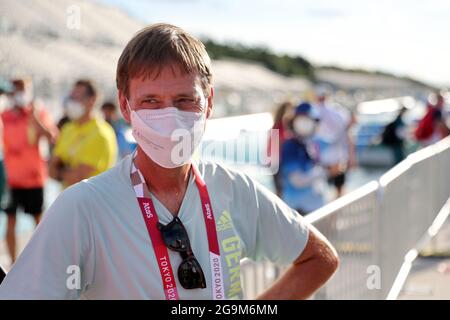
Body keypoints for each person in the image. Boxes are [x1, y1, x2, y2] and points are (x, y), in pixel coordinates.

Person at [0, 24, 338, 300]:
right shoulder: (82, 208)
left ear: (209, 103)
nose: (170, 116)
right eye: (150, 101)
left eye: (184, 100)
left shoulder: (235, 190)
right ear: (125, 104)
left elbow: (319, 258)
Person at [0, 78, 58, 264]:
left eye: (22, 90)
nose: (19, 95)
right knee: (10, 221)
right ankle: (13, 262)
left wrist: (34, 118)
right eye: (15, 91)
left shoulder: (38, 113)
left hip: (34, 178)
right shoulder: (5, 115)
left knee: (39, 222)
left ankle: (43, 261)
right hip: (11, 178)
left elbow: (51, 137)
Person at [48, 80, 118, 187]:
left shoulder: (101, 133)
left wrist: (60, 169)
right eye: (71, 98)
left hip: (92, 202)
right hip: (68, 199)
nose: (72, 102)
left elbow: (77, 178)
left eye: (77, 98)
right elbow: (50, 170)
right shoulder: (68, 128)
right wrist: (64, 171)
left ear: (92, 100)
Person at [280, 102, 325, 215]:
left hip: (314, 208)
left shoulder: (312, 144)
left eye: (308, 119)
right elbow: (297, 181)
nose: (305, 123)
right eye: (301, 119)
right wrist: (326, 172)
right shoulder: (290, 146)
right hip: (299, 211)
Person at [315, 88, 355, 198]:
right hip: (337, 158)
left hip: (323, 159)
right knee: (339, 190)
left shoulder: (314, 112)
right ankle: (336, 213)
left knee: (324, 190)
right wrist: (351, 157)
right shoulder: (339, 113)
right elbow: (348, 135)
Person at [268, 101, 293, 196]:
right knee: (280, 191)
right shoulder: (281, 126)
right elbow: (279, 144)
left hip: (274, 161)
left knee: (279, 190)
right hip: (278, 162)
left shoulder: (277, 125)